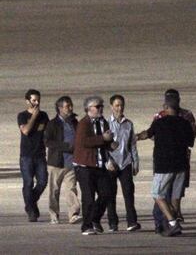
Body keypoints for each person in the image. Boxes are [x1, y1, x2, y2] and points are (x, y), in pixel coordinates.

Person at [138, 89, 196, 234]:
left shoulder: (159, 121)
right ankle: (174, 223)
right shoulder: (186, 121)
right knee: (176, 197)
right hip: (182, 164)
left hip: (164, 165)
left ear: (165, 106)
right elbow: (191, 141)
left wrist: (136, 136)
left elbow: (148, 134)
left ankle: (172, 223)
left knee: (158, 194)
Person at [73, 96, 116, 235]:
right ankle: (86, 226)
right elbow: (84, 142)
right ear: (89, 109)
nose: (101, 109)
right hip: (85, 166)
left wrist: (111, 145)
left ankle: (95, 218)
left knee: (107, 193)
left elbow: (105, 142)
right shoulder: (83, 124)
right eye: (98, 107)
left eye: (102, 106)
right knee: (88, 197)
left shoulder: (103, 122)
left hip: (100, 165)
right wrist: (103, 139)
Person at [44, 96, 81, 224]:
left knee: (71, 189)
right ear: (60, 108)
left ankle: (73, 214)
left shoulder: (75, 122)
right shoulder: (52, 124)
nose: (70, 108)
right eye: (67, 106)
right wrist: (66, 146)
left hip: (71, 162)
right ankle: (54, 215)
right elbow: (47, 141)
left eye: (71, 105)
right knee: (54, 190)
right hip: (56, 163)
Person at [106, 94, 141, 232]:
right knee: (110, 194)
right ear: (111, 107)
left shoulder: (128, 124)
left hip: (125, 162)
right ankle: (112, 223)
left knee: (128, 192)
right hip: (111, 164)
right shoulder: (106, 123)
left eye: (121, 105)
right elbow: (102, 145)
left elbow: (132, 145)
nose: (119, 108)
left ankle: (132, 222)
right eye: (116, 105)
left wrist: (135, 162)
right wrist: (108, 161)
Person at [17, 89, 49, 222]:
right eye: (34, 100)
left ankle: (30, 203)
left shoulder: (44, 115)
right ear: (27, 101)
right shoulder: (22, 115)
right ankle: (31, 210)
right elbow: (25, 130)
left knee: (42, 182)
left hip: (40, 154)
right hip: (26, 155)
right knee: (28, 182)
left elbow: (47, 133)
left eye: (38, 100)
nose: (37, 103)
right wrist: (34, 116)